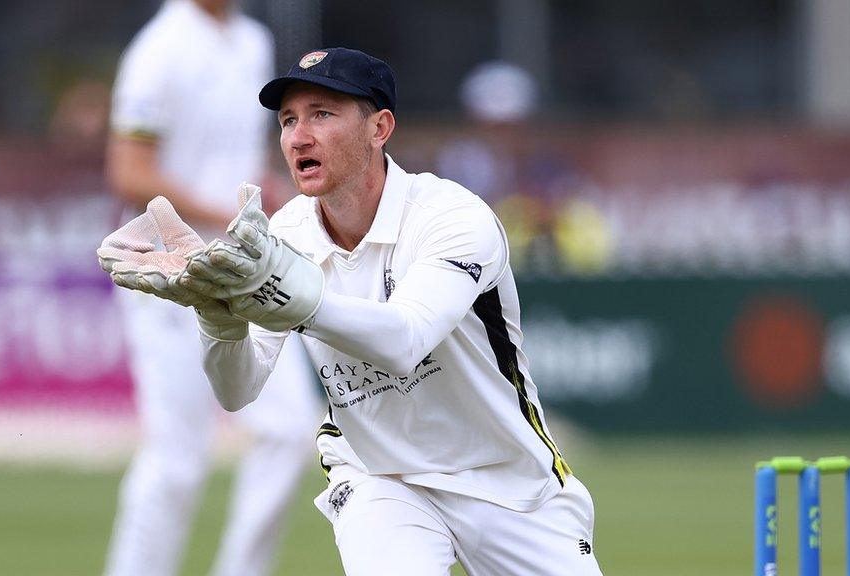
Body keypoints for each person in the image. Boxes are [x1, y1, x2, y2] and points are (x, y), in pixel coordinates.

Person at [99, 47, 604, 576]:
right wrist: (218, 320)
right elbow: (236, 390)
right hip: (378, 479)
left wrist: (290, 295)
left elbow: (405, 341)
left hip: (510, 479)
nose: (298, 136)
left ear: (379, 128)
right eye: (288, 119)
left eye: (322, 114)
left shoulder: (453, 217)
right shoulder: (285, 234)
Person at [102, 2, 320, 575]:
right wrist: (227, 213)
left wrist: (262, 199)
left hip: (242, 264)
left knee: (289, 428)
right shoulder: (160, 48)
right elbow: (130, 171)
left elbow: (237, 153)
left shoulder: (251, 40)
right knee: (177, 459)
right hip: (167, 270)